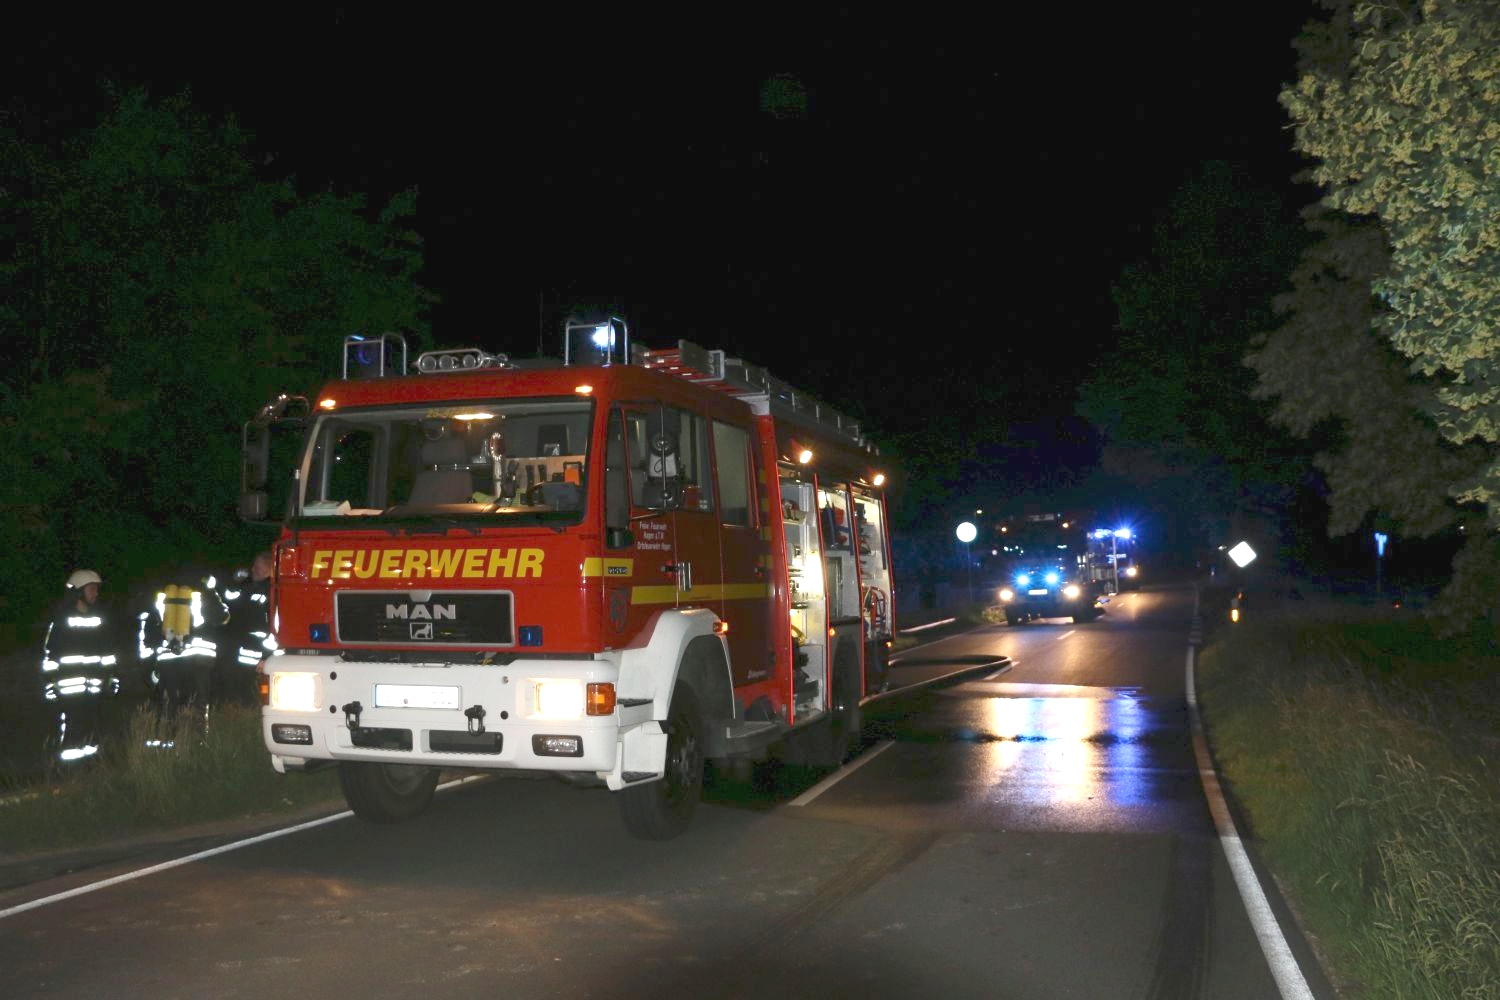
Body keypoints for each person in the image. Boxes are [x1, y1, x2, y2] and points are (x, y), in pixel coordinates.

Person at [40, 569, 121, 761]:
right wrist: (50, 684)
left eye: (96, 589)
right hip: (69, 689)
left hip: (94, 687)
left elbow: (108, 654)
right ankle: (68, 772)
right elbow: (49, 657)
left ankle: (89, 771)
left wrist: (112, 678)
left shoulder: (99, 619)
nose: (95, 594)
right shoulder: (61, 621)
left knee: (93, 730)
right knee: (73, 730)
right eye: (91, 589)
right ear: (78, 592)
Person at [217, 551, 273, 707]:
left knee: (254, 700)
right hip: (241, 656)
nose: (253, 569)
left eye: (258, 567)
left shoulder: (273, 591)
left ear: (269, 568)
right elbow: (228, 600)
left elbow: (276, 628)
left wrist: (266, 657)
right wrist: (235, 581)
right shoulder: (248, 587)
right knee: (238, 696)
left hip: (258, 660)